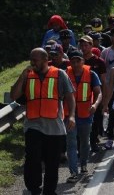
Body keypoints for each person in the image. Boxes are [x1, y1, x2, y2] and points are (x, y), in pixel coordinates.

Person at [10, 48, 76, 195]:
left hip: (54, 127)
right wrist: (22, 76)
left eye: (35, 60)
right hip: (33, 125)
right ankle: (34, 188)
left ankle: (49, 191)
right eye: (31, 59)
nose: (32, 63)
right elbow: (14, 96)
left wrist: (71, 115)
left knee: (52, 162)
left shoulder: (59, 74)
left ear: (45, 60)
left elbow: (70, 95)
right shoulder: (27, 76)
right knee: (32, 159)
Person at [65, 50, 102, 182]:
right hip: (69, 114)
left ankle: (84, 163)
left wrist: (95, 105)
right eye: (73, 61)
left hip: (86, 114)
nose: (75, 64)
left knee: (85, 142)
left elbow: (98, 93)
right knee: (71, 143)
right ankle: (73, 172)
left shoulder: (91, 74)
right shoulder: (65, 74)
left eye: (78, 61)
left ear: (83, 61)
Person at [78, 35, 107, 152]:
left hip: (95, 96)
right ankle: (82, 144)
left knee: (96, 120)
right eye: (82, 45)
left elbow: (103, 82)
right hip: (80, 96)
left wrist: (104, 100)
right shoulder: (77, 61)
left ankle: (94, 141)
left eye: (86, 45)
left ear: (91, 46)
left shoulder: (99, 62)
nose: (84, 48)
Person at [100, 27, 114, 150]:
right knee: (112, 113)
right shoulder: (106, 52)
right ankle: (110, 137)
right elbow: (103, 69)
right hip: (110, 87)